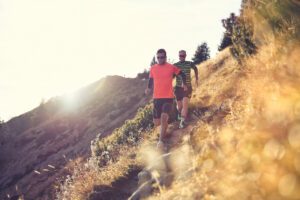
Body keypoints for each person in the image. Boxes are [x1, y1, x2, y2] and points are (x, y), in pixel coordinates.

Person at [145, 49, 187, 150]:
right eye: (158, 57)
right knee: (156, 123)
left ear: (165, 57)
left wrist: (184, 83)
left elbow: (182, 74)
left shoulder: (171, 67)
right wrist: (149, 88)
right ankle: (164, 129)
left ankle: (160, 142)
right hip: (156, 98)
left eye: (162, 57)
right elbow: (151, 79)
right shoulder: (153, 68)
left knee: (164, 117)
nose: (160, 59)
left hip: (168, 97)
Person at [174, 50, 198, 128]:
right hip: (178, 88)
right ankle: (179, 112)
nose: (181, 57)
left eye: (183, 56)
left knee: (185, 104)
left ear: (185, 56)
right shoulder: (175, 65)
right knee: (179, 106)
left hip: (187, 87)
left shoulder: (189, 63)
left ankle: (182, 122)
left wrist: (196, 79)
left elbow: (195, 68)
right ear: (178, 56)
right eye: (180, 56)